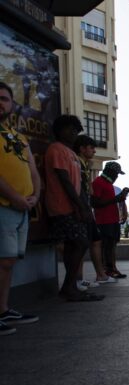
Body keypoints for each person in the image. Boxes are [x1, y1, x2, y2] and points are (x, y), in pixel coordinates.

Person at [45, 115, 103, 301]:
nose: (73, 132)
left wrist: (82, 206)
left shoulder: (71, 153)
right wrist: (81, 206)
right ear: (59, 129)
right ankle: (69, 287)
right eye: (69, 128)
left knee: (74, 245)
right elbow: (65, 181)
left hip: (74, 207)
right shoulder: (56, 149)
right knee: (80, 243)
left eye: (76, 130)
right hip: (61, 206)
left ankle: (71, 287)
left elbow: (78, 184)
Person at [0, 82, 40, 334]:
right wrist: (15, 197)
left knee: (8, 261)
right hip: (5, 205)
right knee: (2, 260)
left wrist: (35, 195)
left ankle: (3, 309)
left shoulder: (18, 136)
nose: (0, 103)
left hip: (22, 208)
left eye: (4, 98)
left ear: (12, 104)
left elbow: (32, 170)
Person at [74, 135, 114, 288]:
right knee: (80, 244)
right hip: (81, 208)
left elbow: (88, 189)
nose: (94, 151)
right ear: (82, 149)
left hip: (85, 207)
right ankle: (78, 280)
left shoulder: (84, 164)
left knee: (93, 241)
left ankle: (99, 275)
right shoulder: (77, 163)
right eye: (91, 148)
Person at [92, 161, 129, 279]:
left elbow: (111, 201)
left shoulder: (108, 184)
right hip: (104, 221)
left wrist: (120, 197)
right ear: (110, 171)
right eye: (116, 173)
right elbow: (95, 203)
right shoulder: (98, 182)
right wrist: (115, 199)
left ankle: (112, 269)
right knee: (106, 246)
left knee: (111, 246)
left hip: (113, 220)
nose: (117, 176)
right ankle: (106, 271)